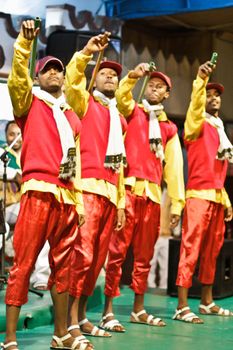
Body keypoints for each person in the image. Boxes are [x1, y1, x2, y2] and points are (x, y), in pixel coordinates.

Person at [1, 20, 90, 350]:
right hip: (38, 190)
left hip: (66, 194)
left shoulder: (71, 115)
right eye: (48, 70)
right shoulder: (29, 104)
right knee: (23, 264)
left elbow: (77, 160)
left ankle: (61, 333)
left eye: (59, 70)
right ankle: (9, 339)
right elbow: (17, 82)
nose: (54, 74)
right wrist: (24, 45)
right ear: (38, 77)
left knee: (64, 268)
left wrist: (79, 202)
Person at [99, 64, 185, 332]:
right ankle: (107, 311)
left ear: (168, 93)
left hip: (151, 195)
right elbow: (123, 94)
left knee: (144, 256)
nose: (154, 89)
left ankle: (138, 308)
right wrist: (135, 76)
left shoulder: (169, 128)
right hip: (127, 190)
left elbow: (174, 167)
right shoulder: (131, 110)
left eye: (160, 87)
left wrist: (177, 202)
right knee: (116, 253)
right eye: (152, 85)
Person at [65, 32, 126, 338]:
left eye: (115, 75)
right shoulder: (84, 102)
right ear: (95, 78)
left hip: (110, 194)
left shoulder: (119, 118)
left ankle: (84, 314)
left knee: (98, 261)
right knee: (83, 255)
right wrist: (87, 53)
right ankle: (70, 319)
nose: (111, 78)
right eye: (105, 73)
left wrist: (122, 202)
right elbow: (73, 79)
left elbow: (122, 167)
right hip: (87, 188)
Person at [173, 61, 233, 324]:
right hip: (198, 195)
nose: (215, 99)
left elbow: (219, 171)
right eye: (210, 95)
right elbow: (195, 107)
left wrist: (227, 199)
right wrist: (199, 82)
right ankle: (182, 305)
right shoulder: (195, 125)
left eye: (217, 95)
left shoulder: (221, 130)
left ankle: (207, 302)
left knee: (212, 251)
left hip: (217, 196)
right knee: (191, 249)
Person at [0, 121, 22, 259]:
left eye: (19, 134)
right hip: (5, 205)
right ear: (6, 136)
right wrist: (15, 174)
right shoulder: (3, 151)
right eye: (11, 134)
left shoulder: (30, 152)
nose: (15, 138)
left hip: (21, 204)